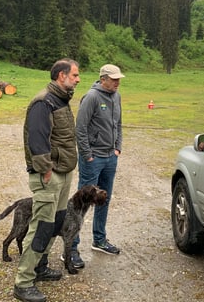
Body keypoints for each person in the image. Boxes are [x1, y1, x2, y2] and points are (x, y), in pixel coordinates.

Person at [13, 59, 80, 302]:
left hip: (63, 173)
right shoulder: (44, 102)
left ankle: (40, 267)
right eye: (74, 75)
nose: (78, 79)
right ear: (61, 76)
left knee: (55, 222)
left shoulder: (61, 100)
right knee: (41, 226)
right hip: (49, 176)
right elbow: (37, 140)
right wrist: (45, 171)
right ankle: (23, 282)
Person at [65, 63, 124, 269]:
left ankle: (99, 240)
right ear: (103, 79)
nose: (117, 82)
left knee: (104, 199)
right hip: (93, 159)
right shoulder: (91, 97)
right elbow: (80, 128)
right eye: (114, 79)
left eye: (118, 79)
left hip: (110, 158)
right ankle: (71, 248)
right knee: (82, 203)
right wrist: (88, 155)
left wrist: (118, 148)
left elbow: (119, 124)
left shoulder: (116, 97)